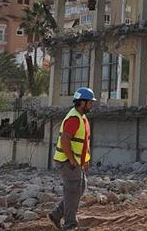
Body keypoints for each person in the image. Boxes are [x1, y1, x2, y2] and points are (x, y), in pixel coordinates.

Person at [48, 87, 94, 229]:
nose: (92, 105)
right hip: (67, 162)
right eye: (90, 102)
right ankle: (70, 224)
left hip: (74, 162)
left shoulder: (81, 117)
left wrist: (85, 160)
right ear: (82, 102)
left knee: (79, 188)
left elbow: (83, 142)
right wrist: (73, 160)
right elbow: (65, 140)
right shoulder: (74, 118)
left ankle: (57, 214)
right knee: (73, 190)